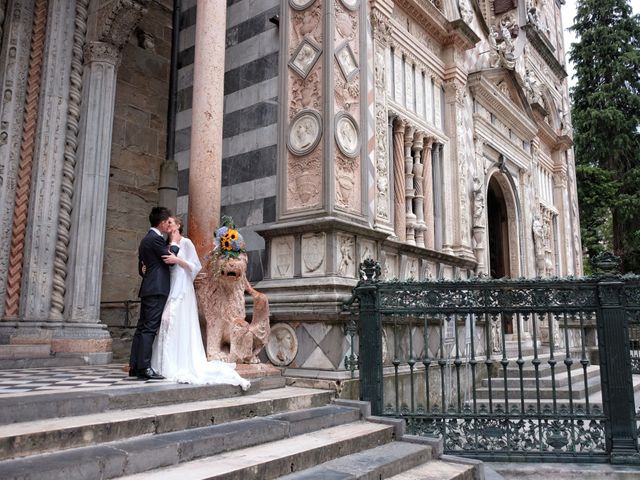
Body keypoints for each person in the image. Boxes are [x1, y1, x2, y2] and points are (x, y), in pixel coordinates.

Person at [151, 216, 250, 390]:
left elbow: (195, 266)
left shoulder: (187, 242)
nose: (168, 224)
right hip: (169, 286)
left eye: (171, 222)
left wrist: (178, 261)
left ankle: (177, 365)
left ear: (178, 225)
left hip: (182, 286)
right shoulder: (165, 244)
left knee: (174, 320)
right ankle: (163, 365)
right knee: (167, 322)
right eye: (166, 222)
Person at [129, 206, 173, 380]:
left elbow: (142, 268)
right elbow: (169, 260)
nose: (169, 225)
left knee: (142, 328)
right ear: (162, 223)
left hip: (148, 287)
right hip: (156, 288)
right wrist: (175, 244)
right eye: (168, 222)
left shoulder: (145, 239)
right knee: (149, 328)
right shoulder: (155, 239)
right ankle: (145, 367)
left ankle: (135, 366)